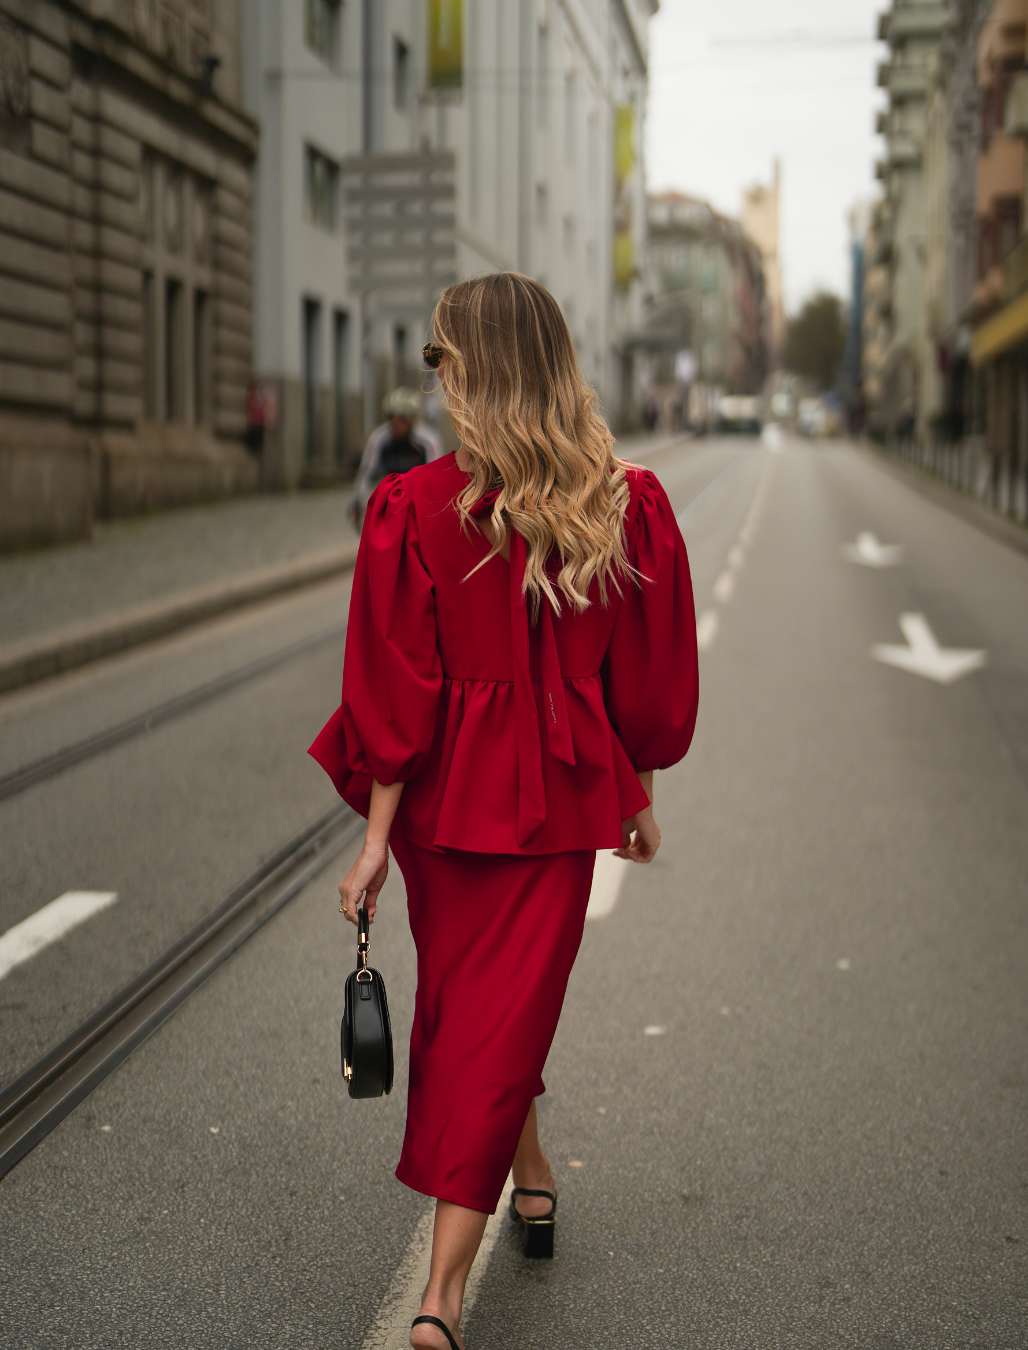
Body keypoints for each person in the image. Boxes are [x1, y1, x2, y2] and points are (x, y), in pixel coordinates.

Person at [310, 273, 698, 1350]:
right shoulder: (620, 504)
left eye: (443, 360)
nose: (434, 381)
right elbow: (647, 688)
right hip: (533, 813)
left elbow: (395, 693)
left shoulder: (417, 510)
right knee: (489, 1014)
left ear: (476, 369)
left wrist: (385, 834)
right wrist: (375, 847)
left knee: (486, 1016)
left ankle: (442, 1294)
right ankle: (513, 1192)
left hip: (452, 807)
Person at [346, 387, 443, 531]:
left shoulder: (427, 440)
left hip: (419, 502)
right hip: (392, 501)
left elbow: (437, 475)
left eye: (402, 419)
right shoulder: (379, 438)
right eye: (392, 418)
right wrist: (357, 503)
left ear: (411, 419)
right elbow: (366, 472)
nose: (396, 424)